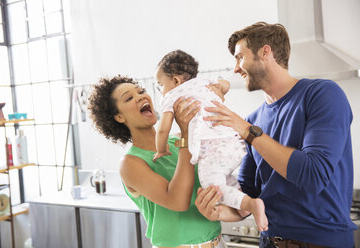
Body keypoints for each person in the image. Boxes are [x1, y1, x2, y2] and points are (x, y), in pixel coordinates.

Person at [195, 22, 357, 248]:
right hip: (270, 242)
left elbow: (314, 174)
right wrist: (220, 212)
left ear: (265, 52)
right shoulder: (253, 120)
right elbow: (249, 196)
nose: (235, 69)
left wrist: (247, 132)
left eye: (240, 57)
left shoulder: (322, 94)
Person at [87, 75, 228, 248]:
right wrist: (185, 136)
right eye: (129, 98)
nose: (141, 96)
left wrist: (211, 97)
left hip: (218, 242)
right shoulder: (130, 163)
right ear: (119, 117)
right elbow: (178, 201)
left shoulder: (177, 142)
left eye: (141, 91)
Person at [153, 49, 268, 232]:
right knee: (227, 179)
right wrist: (220, 90)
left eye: (160, 84)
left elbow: (163, 129)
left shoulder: (171, 96)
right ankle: (241, 206)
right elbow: (225, 84)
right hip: (235, 143)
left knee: (212, 186)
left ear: (175, 81)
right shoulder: (204, 83)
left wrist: (161, 149)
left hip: (213, 149)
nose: (161, 89)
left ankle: (251, 204)